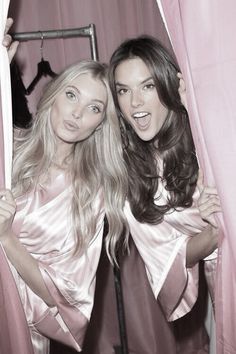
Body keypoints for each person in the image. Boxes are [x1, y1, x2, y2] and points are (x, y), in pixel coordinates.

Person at [82, 35, 220, 354]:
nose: (135, 104)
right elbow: (165, 257)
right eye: (124, 91)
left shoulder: (203, 129)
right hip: (224, 280)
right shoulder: (133, 174)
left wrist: (197, 111)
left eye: (147, 86)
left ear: (168, 84)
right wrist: (214, 235)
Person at [0, 24, 129, 353]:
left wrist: (6, 239)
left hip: (20, 332)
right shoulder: (8, 149)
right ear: (55, 92)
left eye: (94, 108)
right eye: (72, 95)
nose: (77, 112)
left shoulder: (90, 194)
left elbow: (66, 294)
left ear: (101, 124)